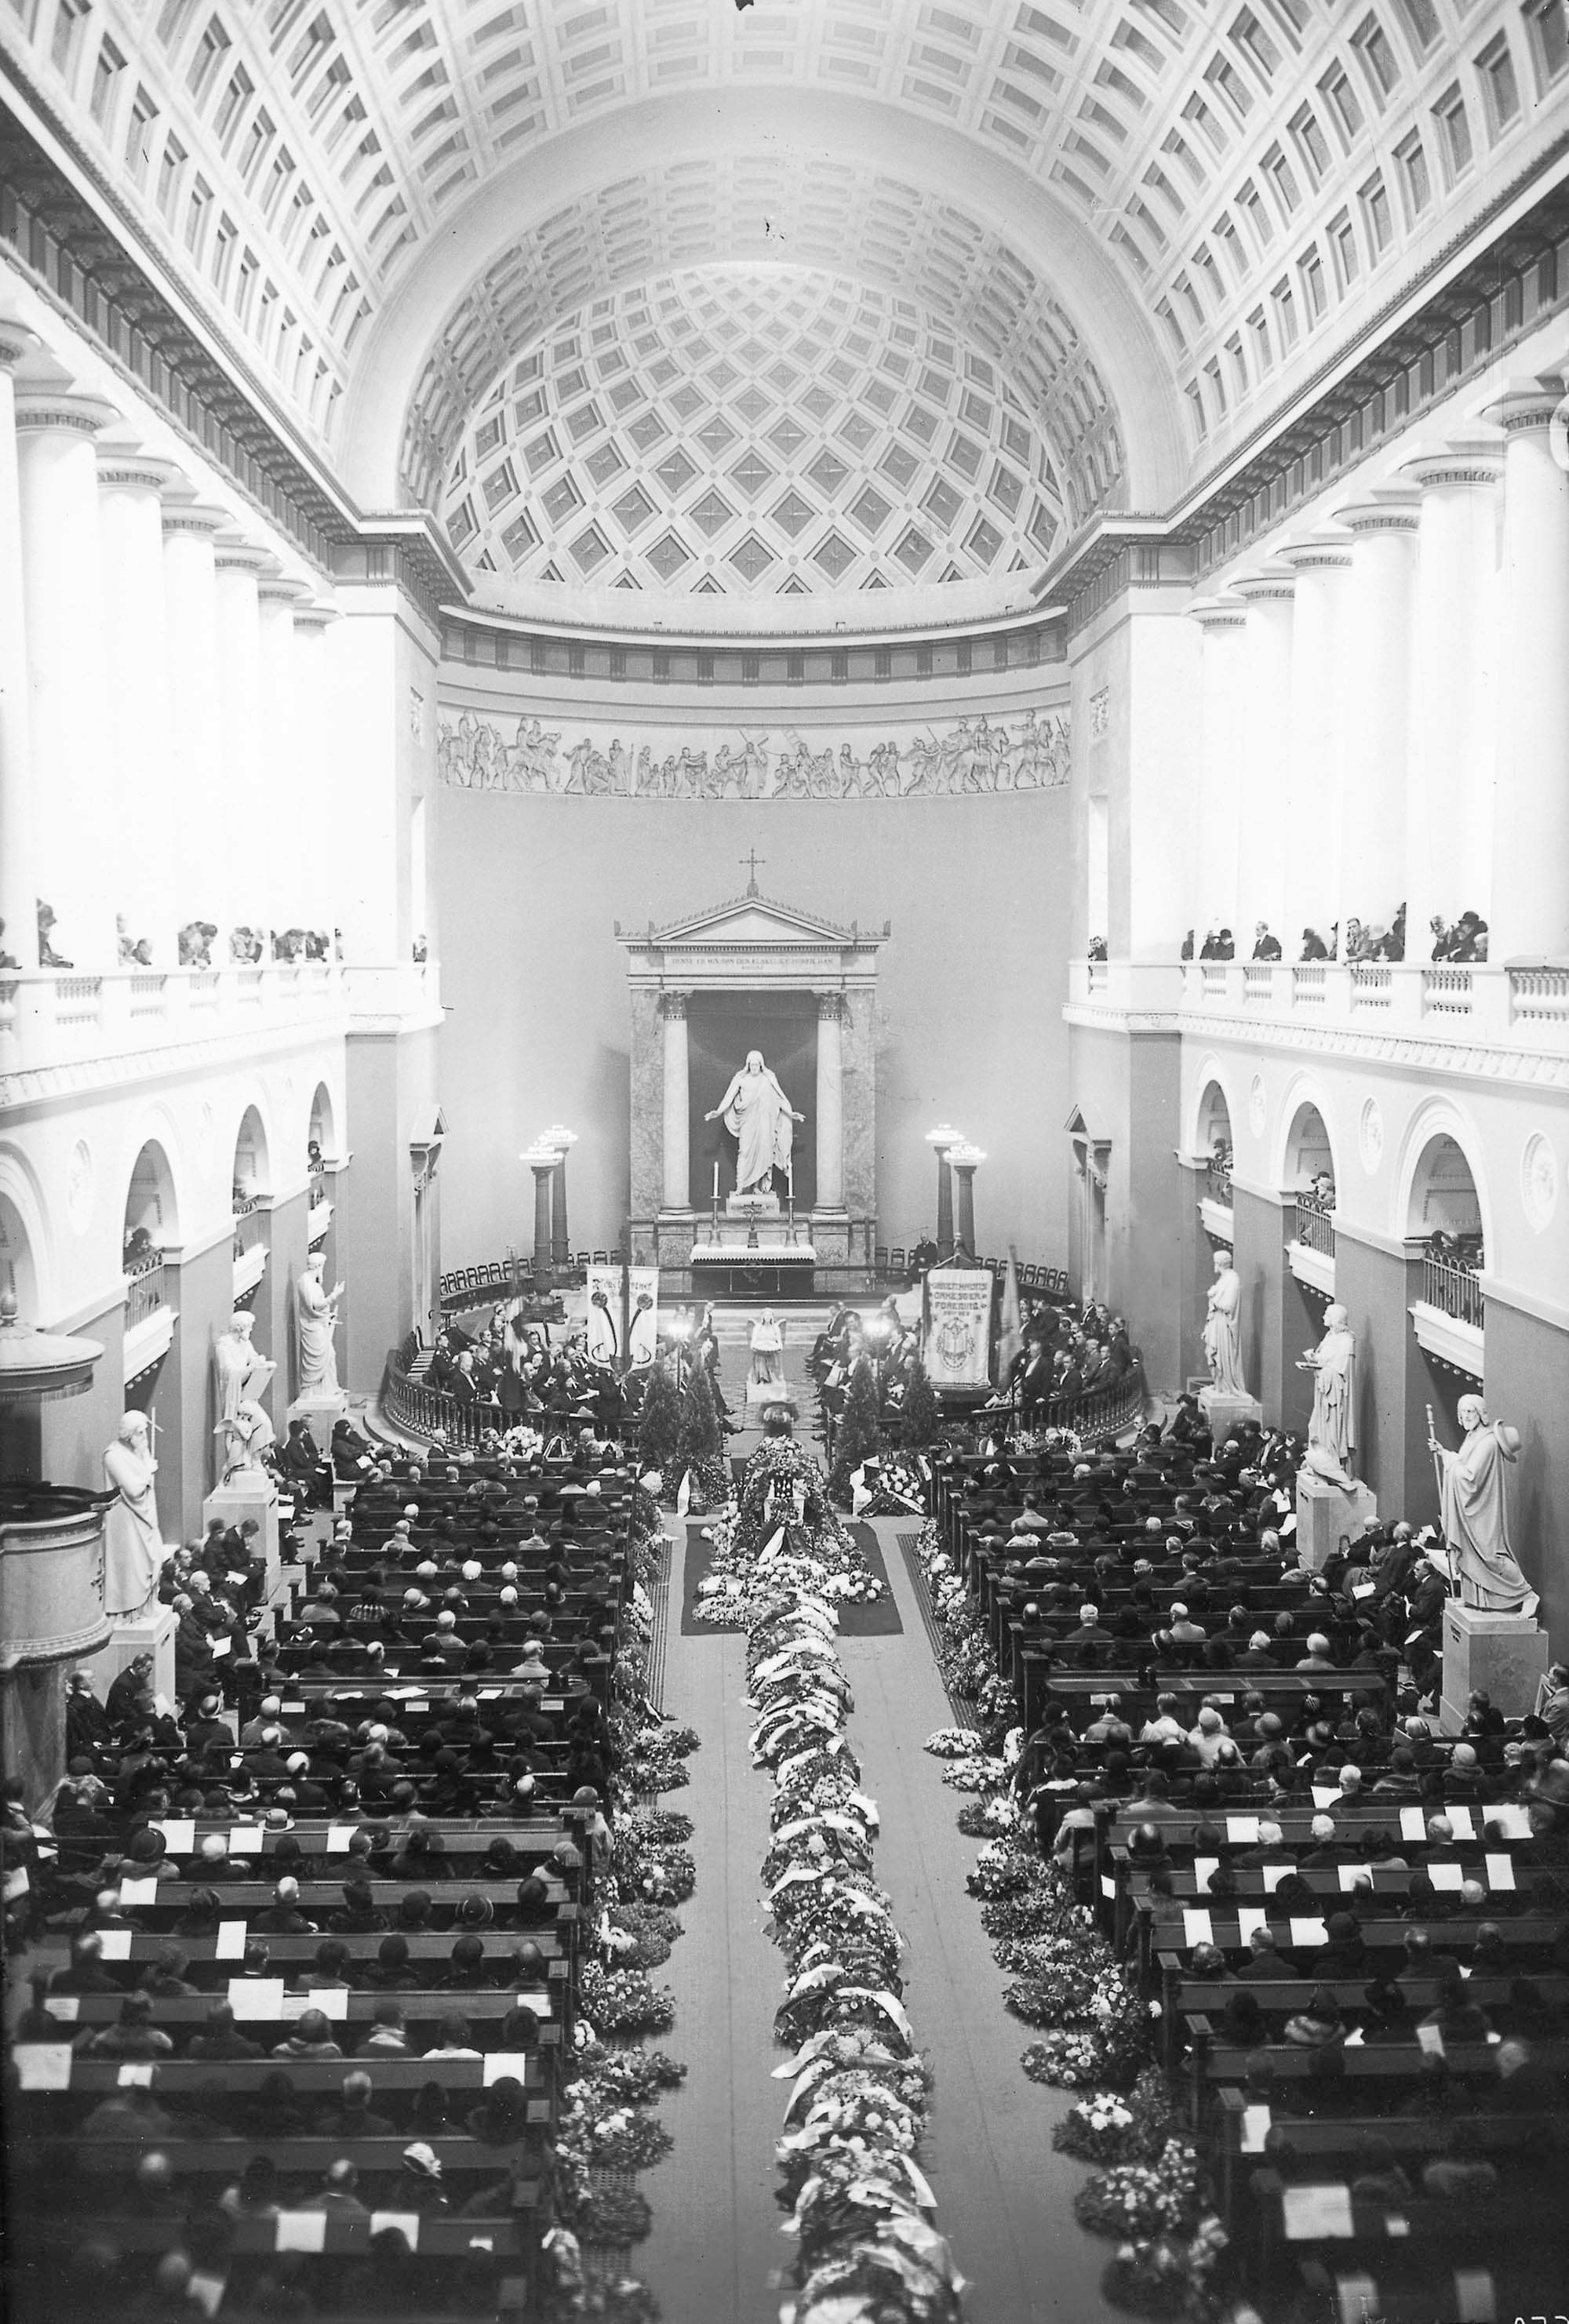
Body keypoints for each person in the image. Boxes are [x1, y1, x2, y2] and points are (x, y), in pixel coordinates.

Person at [1429, 1395, 1536, 1612]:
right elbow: (1462, 1464)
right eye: (1463, 1412)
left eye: (1471, 1412)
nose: (1466, 1416)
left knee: (1491, 1557)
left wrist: (1448, 1460)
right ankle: (1478, 1600)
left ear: (1481, 1414)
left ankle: (1527, 1595)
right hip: (1471, 1511)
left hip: (1482, 1511)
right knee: (1472, 1556)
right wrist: (1444, 1453)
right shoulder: (1472, 1437)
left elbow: (1469, 1478)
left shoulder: (1487, 1442)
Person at [704, 1049, 804, 1195]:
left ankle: (756, 1187)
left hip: (764, 1124)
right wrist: (718, 1111)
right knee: (744, 1152)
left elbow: (778, 1099)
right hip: (747, 1122)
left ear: (761, 1065)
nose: (755, 1068)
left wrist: (791, 1113)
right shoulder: (741, 1079)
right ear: (748, 1065)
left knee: (763, 1155)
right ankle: (740, 1187)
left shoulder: (767, 1080)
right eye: (752, 1065)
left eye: (757, 1065)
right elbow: (729, 1097)